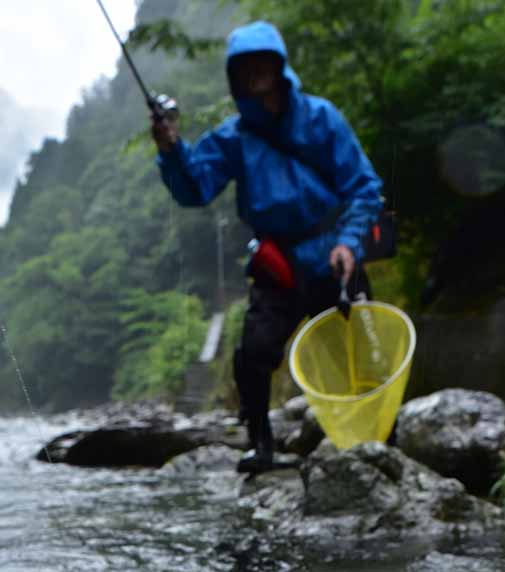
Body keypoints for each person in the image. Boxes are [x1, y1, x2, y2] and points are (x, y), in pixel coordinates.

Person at [152, 19, 384, 475]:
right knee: (253, 355)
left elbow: (365, 189)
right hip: (277, 262)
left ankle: (379, 437)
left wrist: (349, 243)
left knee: (357, 352)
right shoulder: (233, 137)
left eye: (264, 65)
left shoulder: (322, 118)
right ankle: (261, 442)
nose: (256, 74)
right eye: (245, 68)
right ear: (235, 77)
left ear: (279, 67)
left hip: (335, 255)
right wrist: (171, 149)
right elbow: (194, 189)